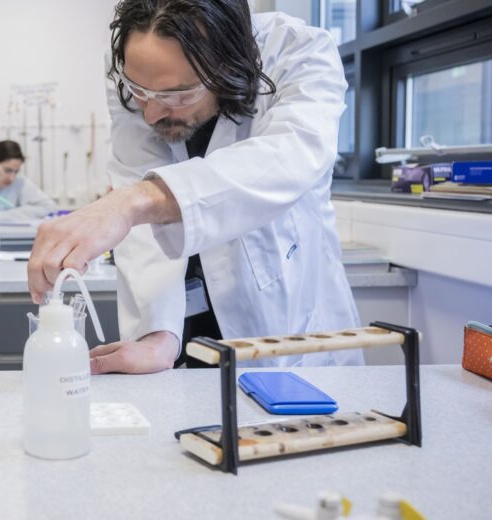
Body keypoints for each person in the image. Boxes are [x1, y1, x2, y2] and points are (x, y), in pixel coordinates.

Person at [28, 0, 363, 374]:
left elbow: (290, 160)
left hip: (285, 323)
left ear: (229, 66)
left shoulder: (299, 50)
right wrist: (157, 332)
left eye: (178, 96)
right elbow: (138, 202)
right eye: (139, 92)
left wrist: (131, 203)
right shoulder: (138, 64)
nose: (151, 113)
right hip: (184, 320)